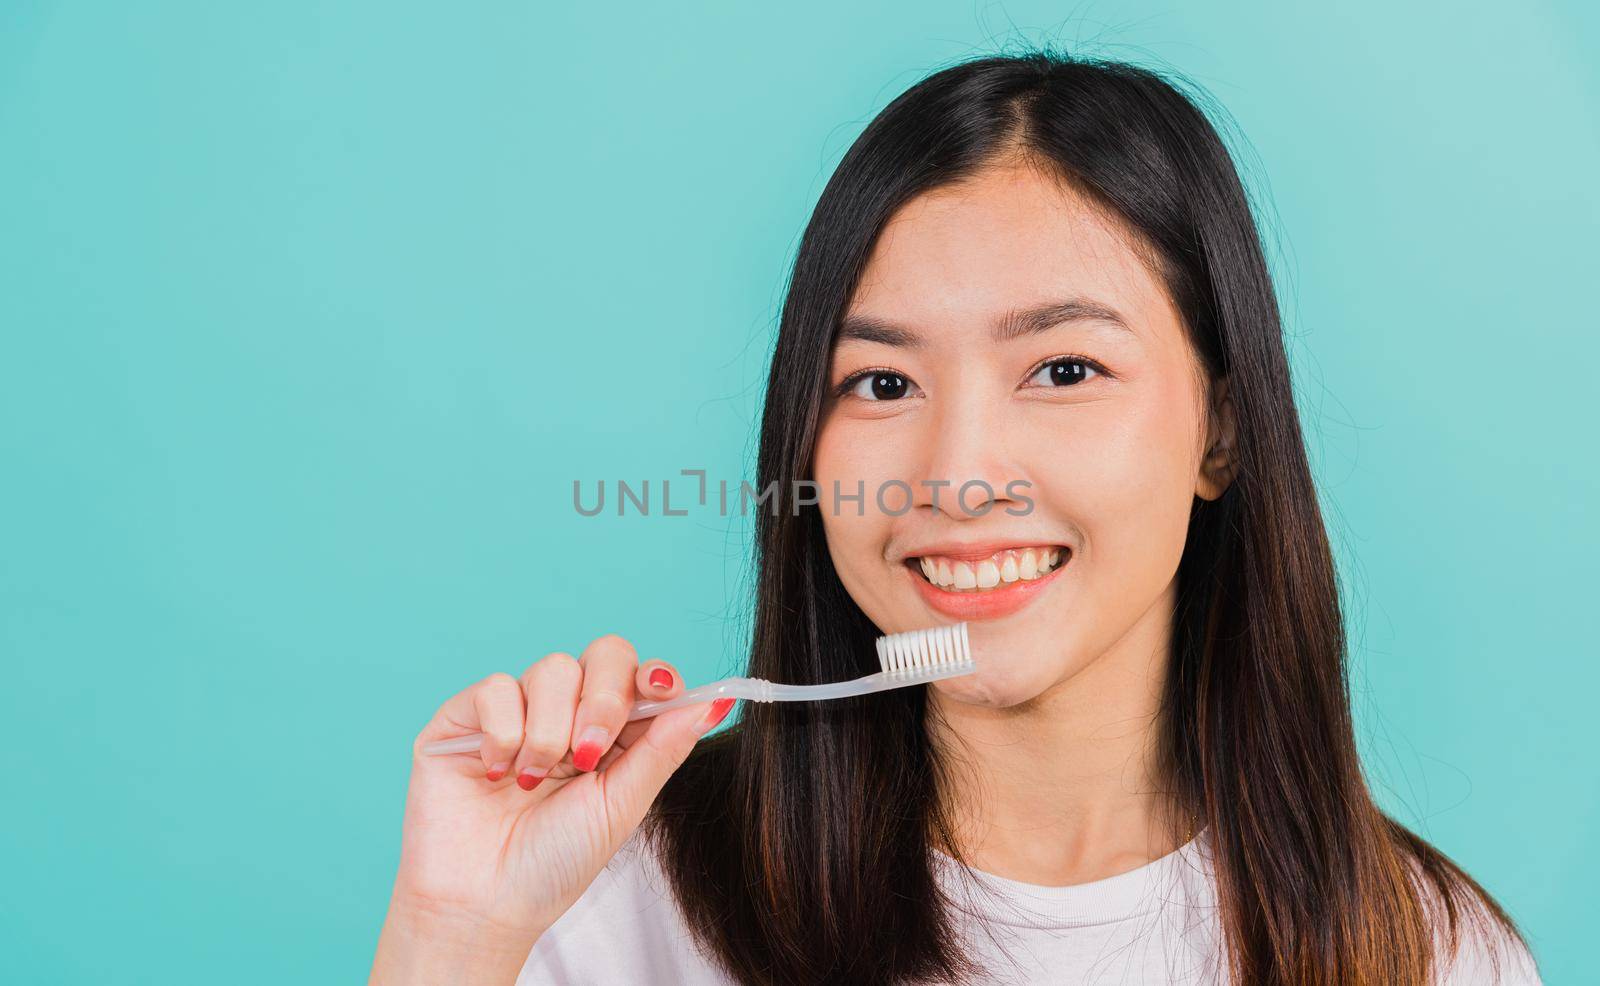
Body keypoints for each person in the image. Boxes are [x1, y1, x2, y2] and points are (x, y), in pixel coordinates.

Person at [368, 51, 1543, 985]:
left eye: (1064, 369)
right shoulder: (621, 894)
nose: (957, 476)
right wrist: (452, 933)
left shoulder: (1430, 955)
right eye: (880, 383)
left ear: (1220, 433)